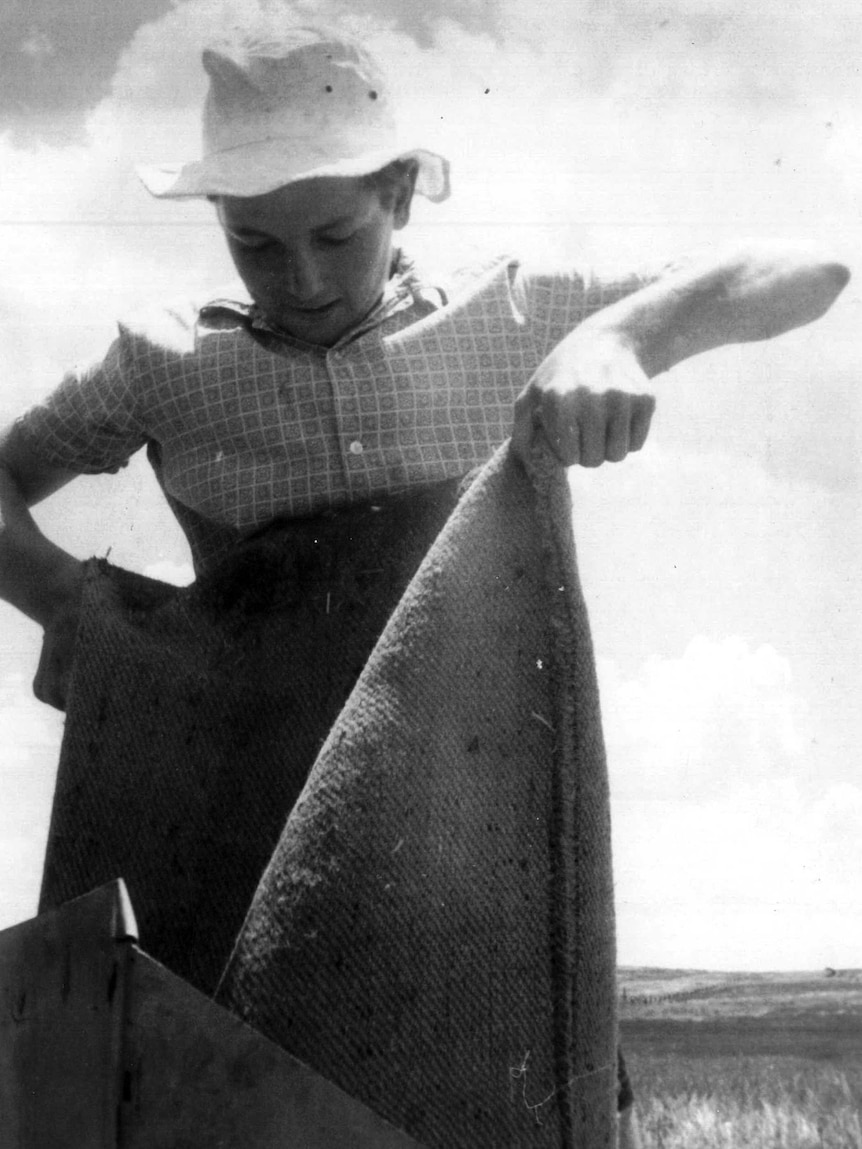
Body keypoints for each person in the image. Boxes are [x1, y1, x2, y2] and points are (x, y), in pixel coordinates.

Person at [0, 22, 849, 1142]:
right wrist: (77, 609)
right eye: (255, 243)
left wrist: (626, 338)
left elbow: (812, 268)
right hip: (247, 822)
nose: (299, 278)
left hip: (468, 840)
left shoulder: (508, 315)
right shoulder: (165, 366)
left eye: (336, 234)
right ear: (215, 220)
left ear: (401, 191)